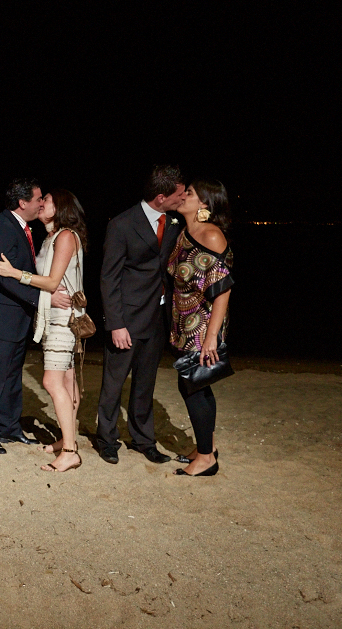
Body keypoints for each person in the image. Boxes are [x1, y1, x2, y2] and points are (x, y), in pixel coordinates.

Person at [0, 179, 73, 455]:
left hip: (17, 318)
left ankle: (10, 427)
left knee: (12, 377)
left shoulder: (22, 228)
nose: (42, 203)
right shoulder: (2, 229)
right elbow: (5, 278)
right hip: (0, 317)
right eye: (39, 198)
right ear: (23, 203)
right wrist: (43, 298)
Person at [0, 189, 88, 472]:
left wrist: (14, 274)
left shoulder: (66, 236)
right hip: (58, 317)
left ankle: (70, 451)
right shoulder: (53, 237)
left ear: (60, 208)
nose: (42, 203)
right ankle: (66, 439)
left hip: (62, 319)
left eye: (47, 200)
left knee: (51, 382)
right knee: (68, 382)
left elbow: (52, 281)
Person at [96, 164, 186, 466]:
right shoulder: (122, 224)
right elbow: (109, 278)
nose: (182, 197)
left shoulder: (173, 221)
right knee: (114, 383)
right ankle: (107, 439)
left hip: (157, 317)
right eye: (178, 194)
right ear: (161, 197)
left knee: (145, 383)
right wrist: (116, 324)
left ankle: (143, 439)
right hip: (127, 318)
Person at [167, 179, 233, 476]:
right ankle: (207, 445)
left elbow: (222, 291)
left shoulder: (211, 235)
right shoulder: (187, 232)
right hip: (184, 320)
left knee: (192, 385)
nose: (182, 196)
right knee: (196, 384)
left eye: (189, 194)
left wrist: (210, 338)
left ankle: (206, 458)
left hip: (203, 324)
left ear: (205, 203)